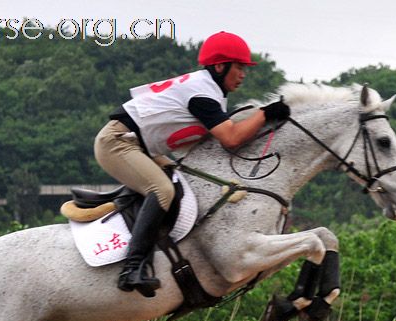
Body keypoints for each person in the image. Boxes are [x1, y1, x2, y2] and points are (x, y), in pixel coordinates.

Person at [94, 31, 291, 298]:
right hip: (117, 143)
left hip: (139, 146)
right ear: (220, 67)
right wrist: (265, 113)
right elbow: (231, 139)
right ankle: (132, 268)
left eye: (245, 67)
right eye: (239, 66)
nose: (244, 74)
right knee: (163, 190)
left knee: (185, 183)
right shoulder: (203, 95)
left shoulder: (210, 91)